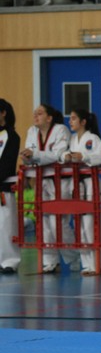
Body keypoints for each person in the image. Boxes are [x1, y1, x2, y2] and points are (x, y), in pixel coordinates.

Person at [19, 104, 79, 274]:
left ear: (49, 118)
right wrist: (27, 157)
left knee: (57, 222)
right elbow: (30, 156)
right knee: (43, 222)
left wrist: (35, 155)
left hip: (61, 181)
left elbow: (57, 155)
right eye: (34, 113)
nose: (35, 116)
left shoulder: (61, 130)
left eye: (40, 113)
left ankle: (74, 257)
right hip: (41, 180)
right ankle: (50, 261)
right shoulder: (32, 131)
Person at [61, 109, 101, 276]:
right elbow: (64, 153)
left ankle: (97, 264)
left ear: (83, 122)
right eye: (70, 118)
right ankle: (86, 264)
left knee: (91, 224)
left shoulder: (92, 138)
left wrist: (84, 157)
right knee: (80, 226)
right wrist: (66, 156)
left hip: (91, 182)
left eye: (74, 118)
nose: (70, 121)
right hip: (77, 184)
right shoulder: (73, 139)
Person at [0, 99, 21, 274]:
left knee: (6, 226)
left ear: (3, 113)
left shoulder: (11, 136)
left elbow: (7, 164)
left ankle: (9, 261)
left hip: (3, 189)